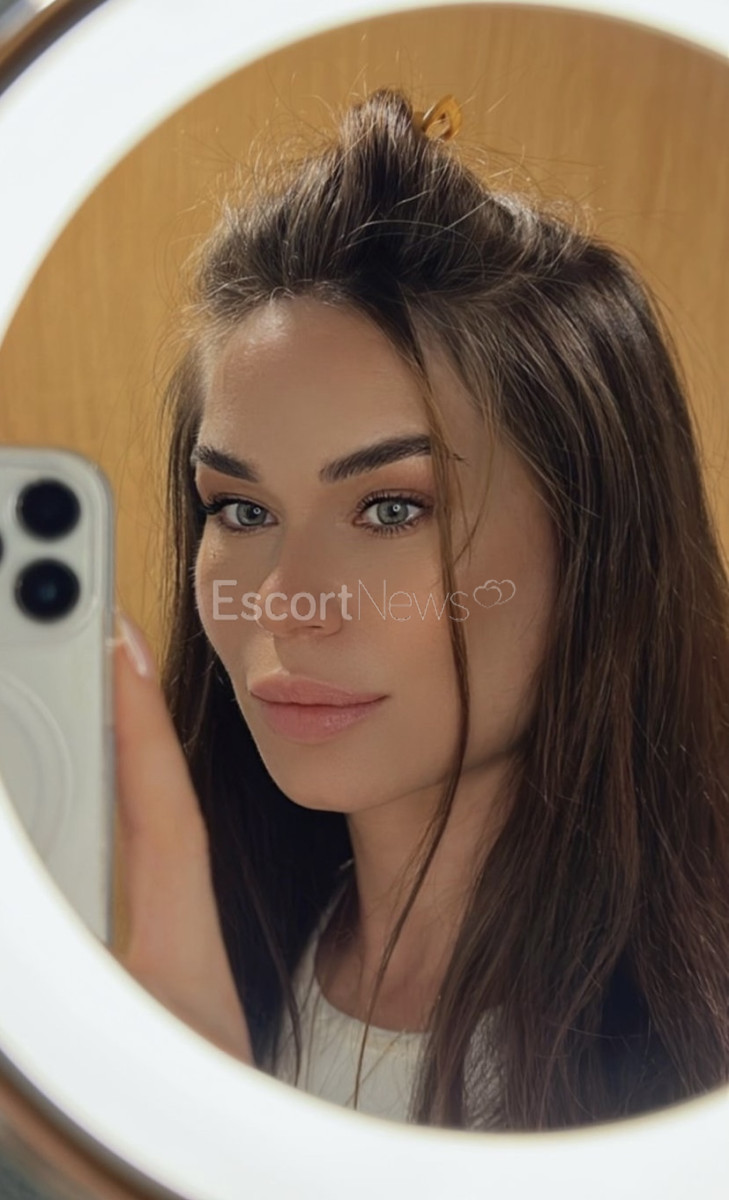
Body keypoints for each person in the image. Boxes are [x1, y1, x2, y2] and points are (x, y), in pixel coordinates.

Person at [112, 87, 729, 1132]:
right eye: (242, 510)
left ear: (597, 544)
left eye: (391, 508)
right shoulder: (188, 980)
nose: (285, 604)